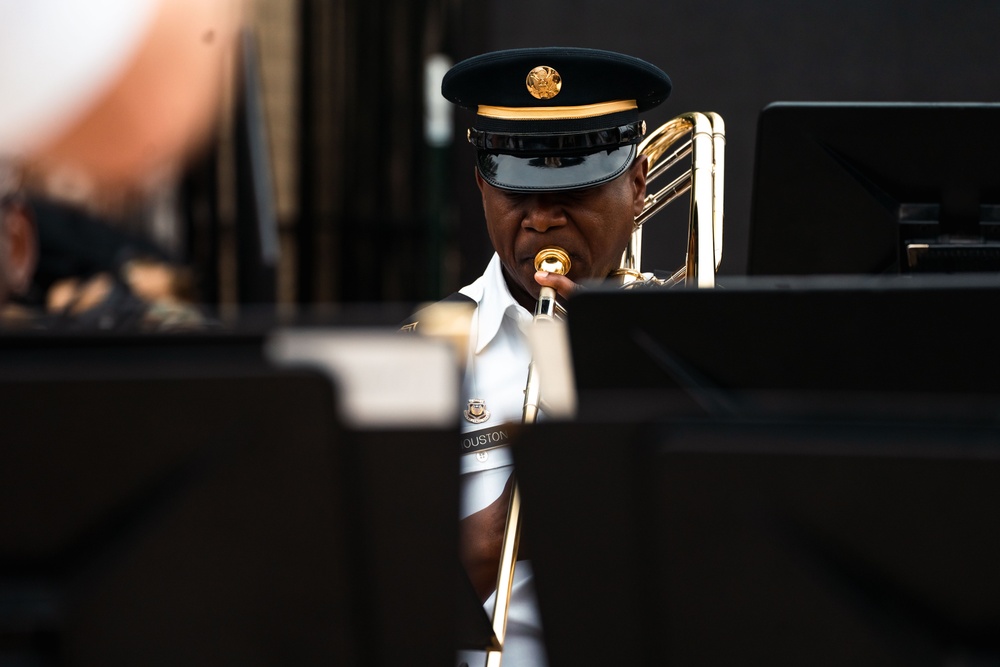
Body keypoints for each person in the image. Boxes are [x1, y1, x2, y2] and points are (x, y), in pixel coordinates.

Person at [427, 47, 673, 667]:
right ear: (483, 184)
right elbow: (386, 584)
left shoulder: (689, 349)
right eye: (517, 191)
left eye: (575, 190)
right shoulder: (424, 352)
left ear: (637, 184)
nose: (541, 219)